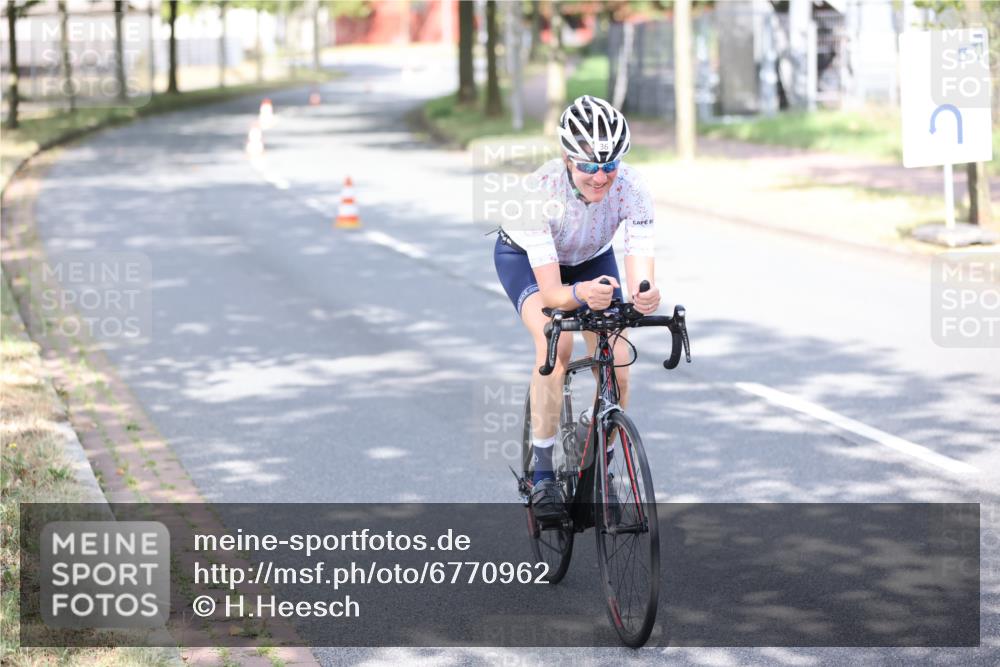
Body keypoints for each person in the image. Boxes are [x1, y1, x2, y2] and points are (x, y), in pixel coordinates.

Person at [493, 95, 660, 517]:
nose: (600, 177)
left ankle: (592, 447)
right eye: (588, 166)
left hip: (589, 256)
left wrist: (645, 295)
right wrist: (582, 293)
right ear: (568, 159)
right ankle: (544, 475)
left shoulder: (633, 189)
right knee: (557, 347)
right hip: (526, 261)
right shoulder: (538, 192)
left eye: (610, 165)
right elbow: (552, 295)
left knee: (618, 358)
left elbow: (641, 271)